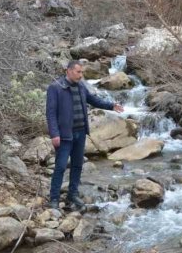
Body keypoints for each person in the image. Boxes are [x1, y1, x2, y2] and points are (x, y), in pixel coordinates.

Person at [46, 60, 124, 210]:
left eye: (82, 72)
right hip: (64, 135)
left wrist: (111, 106)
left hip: (80, 132)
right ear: (68, 71)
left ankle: (72, 194)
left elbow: (93, 100)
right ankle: (54, 198)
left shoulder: (81, 86)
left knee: (77, 165)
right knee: (61, 166)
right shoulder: (55, 88)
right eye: (78, 72)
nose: (81, 75)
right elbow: (50, 113)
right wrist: (54, 133)